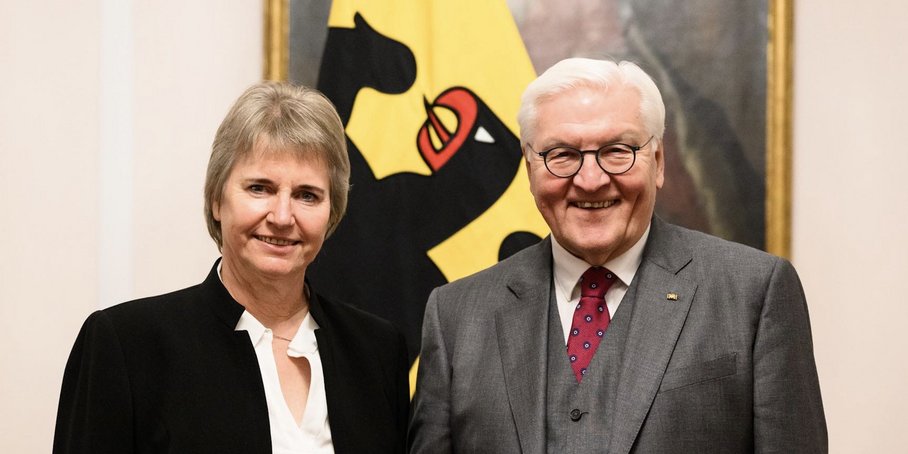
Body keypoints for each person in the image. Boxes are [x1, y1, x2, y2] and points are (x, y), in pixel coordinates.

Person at [409, 58, 827, 453]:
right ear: (531, 169)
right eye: (562, 155)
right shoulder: (455, 317)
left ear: (657, 162)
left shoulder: (754, 293)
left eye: (617, 151)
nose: (590, 180)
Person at [54, 82, 409, 453]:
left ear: (331, 212)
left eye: (307, 195)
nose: (282, 216)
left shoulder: (377, 351)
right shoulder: (126, 346)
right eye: (259, 188)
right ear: (216, 200)